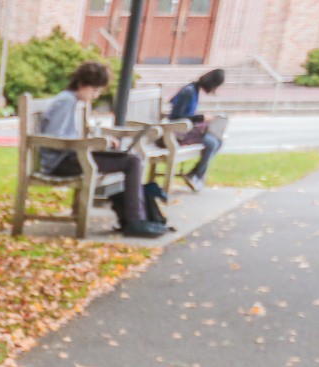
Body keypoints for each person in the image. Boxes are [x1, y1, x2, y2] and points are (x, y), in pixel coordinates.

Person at [35, 61, 165, 239]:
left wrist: (98, 143)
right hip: (62, 162)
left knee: (131, 159)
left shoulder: (71, 100)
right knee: (132, 162)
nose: (95, 95)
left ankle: (134, 218)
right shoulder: (66, 102)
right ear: (81, 85)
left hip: (73, 156)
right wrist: (93, 144)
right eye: (94, 90)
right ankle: (135, 220)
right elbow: (57, 139)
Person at [168, 68, 227, 192]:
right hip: (178, 132)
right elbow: (177, 117)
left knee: (219, 141)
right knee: (212, 143)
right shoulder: (189, 92)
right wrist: (201, 118)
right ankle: (196, 175)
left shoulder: (194, 90)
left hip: (186, 129)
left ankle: (195, 174)